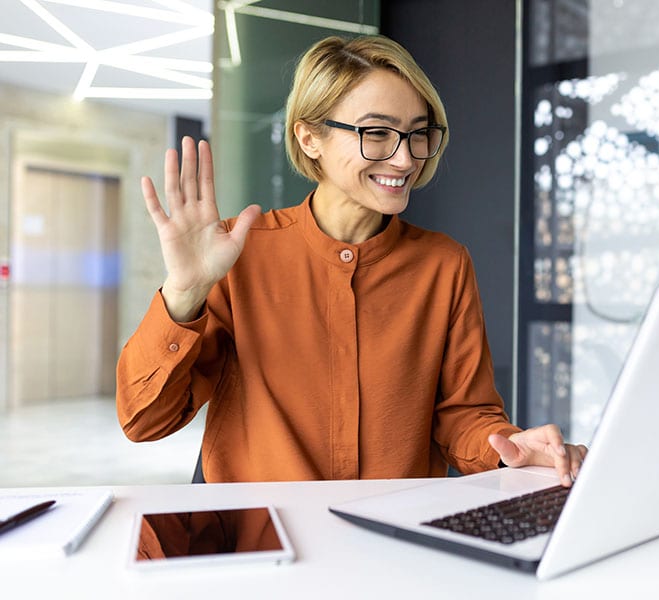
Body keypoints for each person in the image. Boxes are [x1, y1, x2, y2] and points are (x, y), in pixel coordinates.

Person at [116, 34, 587, 486]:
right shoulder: (239, 254)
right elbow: (143, 420)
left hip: (390, 538)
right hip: (260, 542)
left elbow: (464, 416)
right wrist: (185, 291)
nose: (404, 159)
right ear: (309, 138)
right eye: (377, 133)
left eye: (419, 134)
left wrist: (514, 448)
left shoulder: (444, 265)